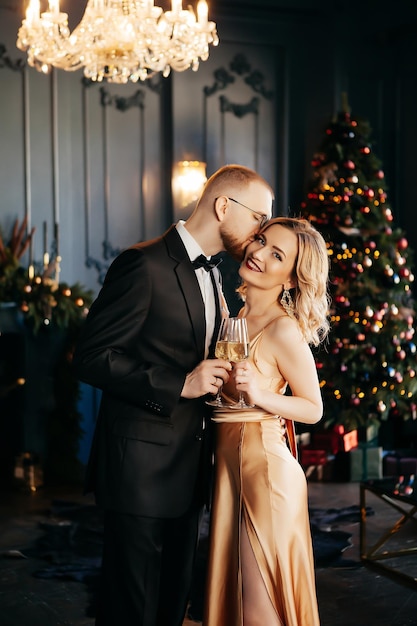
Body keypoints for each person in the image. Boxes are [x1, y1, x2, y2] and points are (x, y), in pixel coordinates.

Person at [72, 164, 274, 626]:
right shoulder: (142, 263)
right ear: (224, 206)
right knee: (132, 610)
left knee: (170, 606)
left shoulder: (218, 278)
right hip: (138, 474)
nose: (261, 233)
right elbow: (91, 356)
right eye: (259, 218)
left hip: (190, 472)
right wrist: (178, 383)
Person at [203, 217, 331, 626]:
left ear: (292, 279)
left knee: (258, 607)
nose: (257, 253)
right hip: (231, 470)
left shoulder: (283, 330)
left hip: (266, 475)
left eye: (277, 254)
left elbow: (314, 408)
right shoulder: (237, 317)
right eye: (260, 240)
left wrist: (260, 395)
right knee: (238, 604)